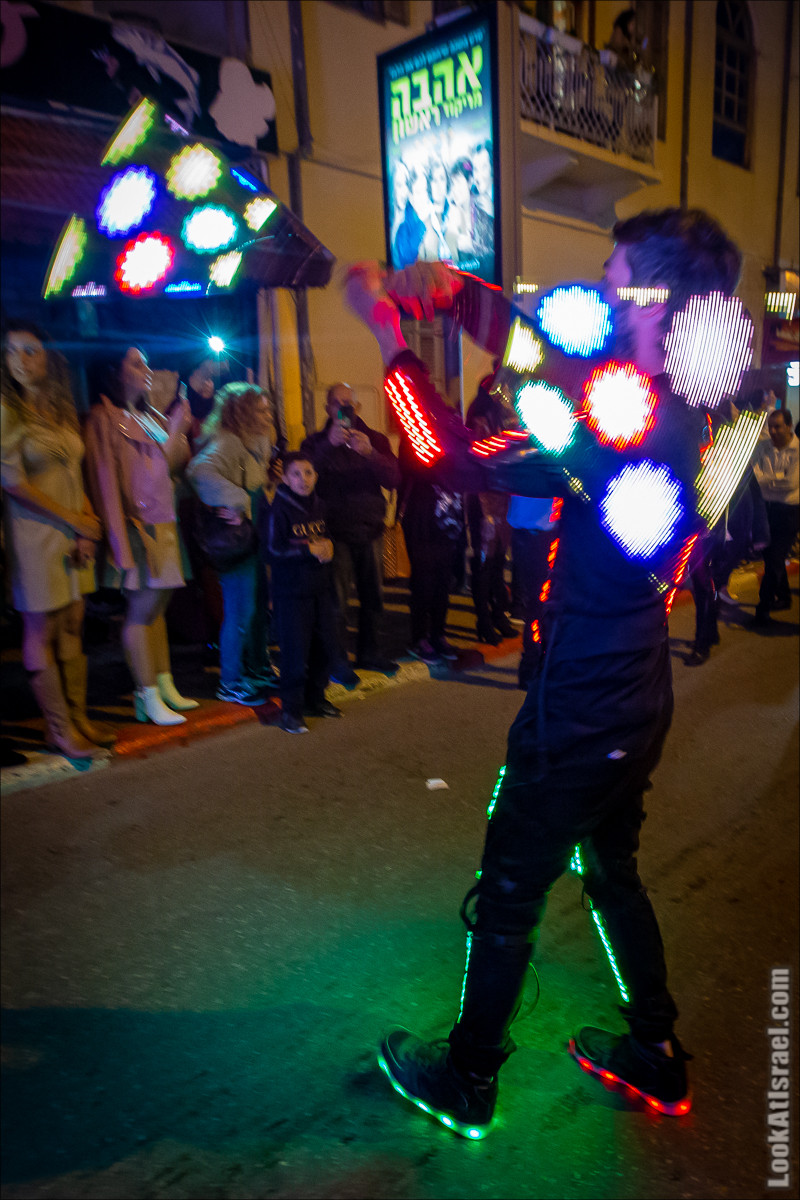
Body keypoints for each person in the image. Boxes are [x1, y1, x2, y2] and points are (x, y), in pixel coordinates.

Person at [344, 205, 744, 1136]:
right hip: (635, 694)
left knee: (513, 881)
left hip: (583, 704)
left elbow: (445, 459)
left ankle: (469, 1078)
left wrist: (389, 339)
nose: (603, 302)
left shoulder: (626, 423)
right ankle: (655, 1049)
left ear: (656, 304)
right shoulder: (682, 407)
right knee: (611, 872)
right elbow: (554, 347)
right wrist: (458, 295)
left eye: (616, 287)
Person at [1, 322, 113, 758]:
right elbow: (13, 484)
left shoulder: (59, 408)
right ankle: (59, 727)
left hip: (68, 532)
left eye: (31, 351)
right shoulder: (7, 411)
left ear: (48, 357)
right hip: (33, 534)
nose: (22, 361)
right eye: (12, 353)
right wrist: (74, 520)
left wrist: (86, 520)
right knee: (41, 627)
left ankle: (77, 717)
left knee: (72, 621)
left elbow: (72, 471)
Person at [84, 346, 197, 725]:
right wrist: (120, 547)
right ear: (114, 372)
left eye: (145, 361)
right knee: (141, 611)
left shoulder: (148, 415)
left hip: (164, 522)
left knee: (158, 608)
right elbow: (105, 482)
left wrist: (178, 429)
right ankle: (145, 695)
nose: (146, 369)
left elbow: (170, 466)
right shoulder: (103, 417)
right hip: (136, 527)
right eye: (136, 363)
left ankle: (163, 685)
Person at [186, 382, 278, 704]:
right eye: (261, 409)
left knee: (253, 606)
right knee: (240, 610)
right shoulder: (228, 441)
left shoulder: (252, 441)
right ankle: (230, 681)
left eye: (268, 408)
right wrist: (236, 500)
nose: (269, 414)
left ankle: (255, 668)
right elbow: (199, 471)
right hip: (235, 541)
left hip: (250, 536)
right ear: (242, 412)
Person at [301, 382, 401, 681]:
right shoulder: (316, 442)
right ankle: (337, 662)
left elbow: (394, 478)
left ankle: (369, 653)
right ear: (328, 408)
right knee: (337, 603)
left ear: (356, 408)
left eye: (348, 403)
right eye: (337, 402)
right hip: (335, 532)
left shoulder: (374, 439)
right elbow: (305, 478)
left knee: (373, 598)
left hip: (370, 528)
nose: (343, 408)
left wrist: (370, 454)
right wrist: (327, 446)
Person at [262, 452, 340, 734]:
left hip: (319, 589)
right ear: (285, 478)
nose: (303, 479)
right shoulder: (278, 509)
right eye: (296, 474)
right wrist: (305, 550)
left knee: (322, 649)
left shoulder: (319, 505)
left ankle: (316, 700)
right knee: (295, 654)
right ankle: (291, 712)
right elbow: (271, 551)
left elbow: (326, 536)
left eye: (308, 473)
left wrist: (329, 547)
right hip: (291, 593)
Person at [398, 433, 463, 665]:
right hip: (422, 521)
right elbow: (413, 467)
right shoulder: (413, 431)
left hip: (447, 519)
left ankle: (438, 634)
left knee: (442, 585)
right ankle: (419, 638)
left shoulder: (450, 431)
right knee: (423, 584)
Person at [465, 375, 517, 645]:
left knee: (498, 562)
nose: (505, 394)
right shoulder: (480, 419)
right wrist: (509, 444)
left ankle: (498, 615)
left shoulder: (504, 416)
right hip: (484, 499)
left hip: (502, 497)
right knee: (484, 563)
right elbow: (479, 453)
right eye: (501, 390)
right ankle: (483, 620)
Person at [751, 407, 799, 626]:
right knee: (772, 557)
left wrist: (768, 480)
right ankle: (786, 597)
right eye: (770, 427)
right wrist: (774, 480)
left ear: (788, 426)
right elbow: (756, 475)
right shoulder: (763, 447)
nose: (773, 431)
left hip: (790, 512)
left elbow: (791, 484)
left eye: (778, 426)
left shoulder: (797, 451)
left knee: (775, 559)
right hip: (768, 509)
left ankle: (763, 608)